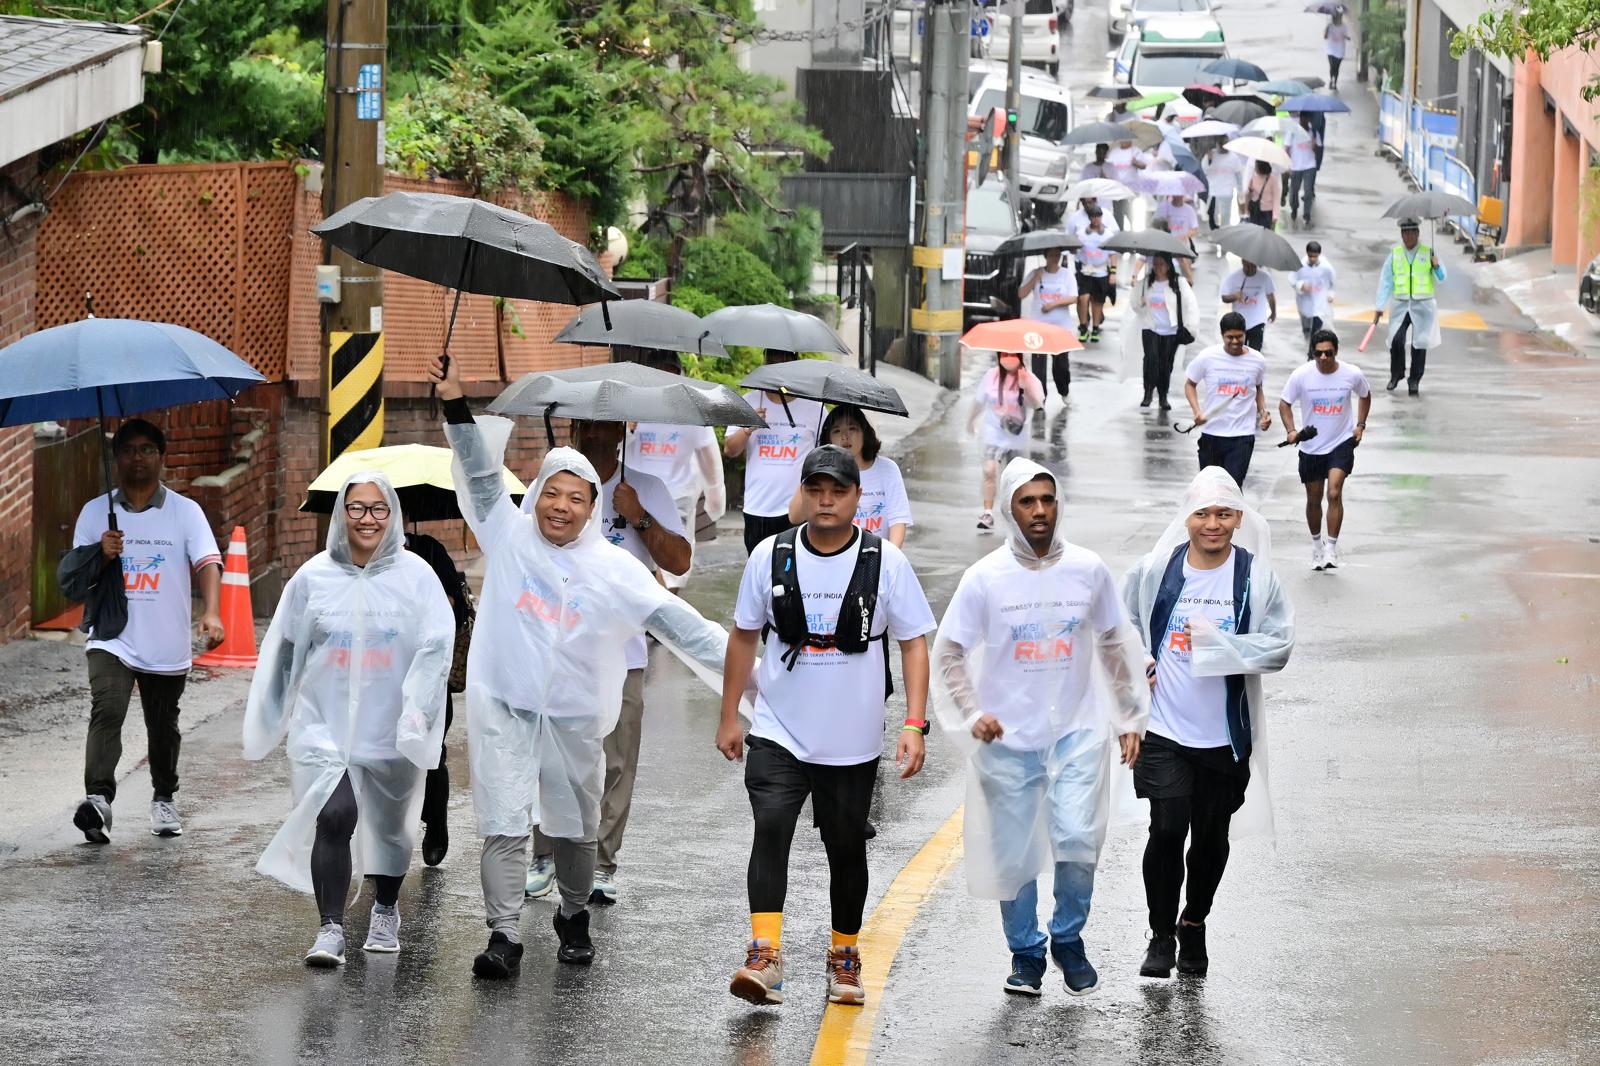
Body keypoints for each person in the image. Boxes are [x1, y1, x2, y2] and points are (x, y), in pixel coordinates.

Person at [428, 353, 734, 980]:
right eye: (551, 493)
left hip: (574, 716)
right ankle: (503, 933)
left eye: (576, 497)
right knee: (505, 820)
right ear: (536, 496)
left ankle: (572, 915)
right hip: (507, 707)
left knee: (575, 826)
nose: (561, 506)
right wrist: (455, 403)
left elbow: (680, 625)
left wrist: (748, 668)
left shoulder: (612, 567)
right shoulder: (507, 535)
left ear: (592, 508)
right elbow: (480, 473)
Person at [718, 444, 936, 1008]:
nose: (826, 500)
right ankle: (765, 954)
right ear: (802, 493)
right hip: (779, 727)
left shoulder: (886, 562)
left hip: (850, 738)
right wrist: (729, 715)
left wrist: (914, 723)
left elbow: (913, 643)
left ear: (858, 496)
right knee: (771, 826)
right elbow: (743, 636)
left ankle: (844, 954)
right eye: (815, 489)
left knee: (845, 845)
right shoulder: (770, 555)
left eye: (838, 490)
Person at [932, 458, 1148, 997]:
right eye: (1026, 501)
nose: (1039, 511)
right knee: (1015, 852)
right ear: (1009, 509)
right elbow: (951, 651)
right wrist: (971, 712)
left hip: (1078, 727)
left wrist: (1127, 714)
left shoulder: (1088, 569)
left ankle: (1068, 938)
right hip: (1007, 737)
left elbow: (1114, 643)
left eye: (1048, 500)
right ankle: (1026, 953)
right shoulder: (984, 578)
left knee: (1078, 836)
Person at [243, 473, 454, 966]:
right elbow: (286, 647)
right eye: (356, 508)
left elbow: (436, 646)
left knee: (390, 826)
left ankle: (385, 908)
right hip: (324, 723)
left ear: (392, 516)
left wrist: (418, 711)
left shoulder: (417, 577)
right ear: (341, 514)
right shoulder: (312, 578)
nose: (367, 519)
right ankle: (330, 928)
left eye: (378, 509)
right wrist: (271, 711)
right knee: (334, 814)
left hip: (391, 723)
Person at [1121, 467, 1295, 979]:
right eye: (1202, 514)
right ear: (1187, 517)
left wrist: (1216, 646)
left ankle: (1193, 921)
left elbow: (1279, 646)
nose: (1212, 524)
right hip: (1163, 731)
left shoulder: (1256, 578)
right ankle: (1160, 934)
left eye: (1223, 514)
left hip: (1224, 738)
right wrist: (1139, 659)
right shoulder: (1156, 569)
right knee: (1167, 828)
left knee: (1211, 838)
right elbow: (1121, 624)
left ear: (1239, 518)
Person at [522, 418, 690, 905]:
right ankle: (545, 854)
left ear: (623, 430)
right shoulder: (548, 489)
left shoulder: (646, 489)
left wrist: (639, 516)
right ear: (574, 427)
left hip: (623, 652)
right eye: (587, 424)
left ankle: (600, 862)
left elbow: (679, 561)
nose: (595, 433)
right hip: (554, 648)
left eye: (606, 425)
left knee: (615, 761)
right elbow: (520, 555)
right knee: (549, 757)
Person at [66, 418, 223, 845]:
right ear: (116, 458)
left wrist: (212, 612)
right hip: (111, 633)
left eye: (147, 449)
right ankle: (98, 800)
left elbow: (208, 561)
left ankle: (164, 795)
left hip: (165, 639)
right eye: (128, 449)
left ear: (161, 457)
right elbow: (74, 576)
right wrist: (100, 552)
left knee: (163, 725)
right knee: (107, 710)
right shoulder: (95, 512)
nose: (137, 457)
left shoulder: (185, 511)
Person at [624, 352, 728, 591]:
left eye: (671, 374)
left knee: (674, 562)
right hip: (636, 495)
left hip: (677, 496)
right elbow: (617, 451)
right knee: (638, 558)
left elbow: (709, 457)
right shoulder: (632, 408)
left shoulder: (692, 412)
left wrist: (715, 496)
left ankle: (668, 602)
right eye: (660, 374)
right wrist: (628, 430)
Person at [402, 528, 472, 867]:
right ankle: (381, 839)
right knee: (377, 757)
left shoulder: (427, 551)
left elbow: (456, 611)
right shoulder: (357, 557)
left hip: (429, 675)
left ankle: (435, 821)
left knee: (430, 752)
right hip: (379, 673)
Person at [1279, 330, 1372, 571]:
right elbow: (1284, 403)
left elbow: (1365, 395)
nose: (1323, 358)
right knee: (1313, 498)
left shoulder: (1351, 373)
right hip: (1311, 446)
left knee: (1334, 493)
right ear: (1313, 353)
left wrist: (1360, 425)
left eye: (1328, 353)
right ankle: (1316, 546)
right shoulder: (1301, 375)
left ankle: (1331, 548)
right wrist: (1291, 430)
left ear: (1336, 352)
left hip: (1341, 442)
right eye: (1318, 353)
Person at [723, 350, 826, 552]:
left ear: (795, 364)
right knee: (761, 568)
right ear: (765, 362)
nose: (778, 366)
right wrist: (748, 428)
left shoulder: (816, 409)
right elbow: (730, 450)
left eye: (784, 361)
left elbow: (826, 453)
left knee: (795, 568)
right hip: (758, 508)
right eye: (773, 360)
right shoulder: (749, 402)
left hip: (799, 510)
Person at [788, 404, 912, 547]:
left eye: (852, 429)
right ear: (828, 438)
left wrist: (890, 556)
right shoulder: (821, 472)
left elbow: (898, 520)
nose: (845, 437)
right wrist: (811, 470)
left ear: (865, 432)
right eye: (837, 431)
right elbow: (795, 517)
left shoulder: (887, 468)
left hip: (875, 554)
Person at [1183, 313, 1271, 488]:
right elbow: (1190, 384)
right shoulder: (1207, 357)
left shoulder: (1257, 360)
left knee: (1232, 488)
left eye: (1239, 336)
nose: (1235, 341)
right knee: (1210, 489)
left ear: (1245, 333)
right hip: (1212, 434)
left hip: (1242, 436)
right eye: (1230, 337)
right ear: (1222, 335)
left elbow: (1258, 388)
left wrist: (1263, 412)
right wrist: (1197, 411)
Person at [969, 352, 1045, 532]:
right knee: (989, 470)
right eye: (1004, 355)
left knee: (1016, 479)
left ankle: (1017, 515)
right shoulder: (991, 376)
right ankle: (987, 513)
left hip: (1016, 436)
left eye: (1012, 355)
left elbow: (1038, 405)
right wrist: (971, 420)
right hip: (993, 433)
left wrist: (1025, 388)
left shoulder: (1028, 378)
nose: (1008, 358)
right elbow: (979, 401)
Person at [1376, 218, 1446, 396]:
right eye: (1404, 233)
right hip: (1401, 305)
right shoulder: (1395, 254)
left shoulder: (1428, 252)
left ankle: (1414, 379)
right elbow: (1386, 281)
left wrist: (1436, 266)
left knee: (1420, 343)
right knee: (1396, 340)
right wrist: (1380, 306)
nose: (1407, 236)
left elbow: (1442, 277)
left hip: (1423, 305)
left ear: (1417, 233)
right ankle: (1396, 374)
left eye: (1411, 232)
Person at [1132, 254, 1198, 411]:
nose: (1158, 267)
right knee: (1151, 360)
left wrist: (1191, 326)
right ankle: (1148, 393)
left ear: (1168, 265)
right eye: (1155, 264)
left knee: (1166, 364)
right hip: (1150, 328)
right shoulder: (1145, 282)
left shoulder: (1179, 282)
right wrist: (1140, 303)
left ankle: (1163, 396)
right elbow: (1134, 303)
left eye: (1161, 264)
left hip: (1171, 331)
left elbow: (1191, 304)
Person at [1017, 247, 1078, 400]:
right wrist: (1035, 280)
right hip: (1039, 326)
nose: (1055, 258)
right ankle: (1040, 397)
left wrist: (1053, 304)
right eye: (1051, 255)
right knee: (1038, 364)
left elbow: (1074, 297)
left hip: (1061, 327)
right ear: (1045, 256)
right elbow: (1021, 294)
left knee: (1061, 364)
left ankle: (1064, 390)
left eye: (1057, 255)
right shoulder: (1036, 272)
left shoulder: (1066, 274)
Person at [1075, 206, 1116, 343]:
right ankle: (1083, 327)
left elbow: (1112, 254)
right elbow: (1076, 251)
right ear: (1090, 218)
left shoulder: (1108, 234)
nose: (1096, 219)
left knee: (1098, 302)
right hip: (1085, 270)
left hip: (1101, 271)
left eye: (1098, 216)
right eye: (1093, 216)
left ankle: (1095, 328)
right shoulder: (1081, 233)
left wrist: (1113, 272)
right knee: (1083, 298)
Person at [1219, 258, 1277, 353]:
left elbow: (1271, 296)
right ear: (1242, 262)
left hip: (1258, 321)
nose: (1250, 268)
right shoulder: (1233, 277)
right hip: (1239, 322)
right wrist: (1235, 296)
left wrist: (1273, 313)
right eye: (1247, 266)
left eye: (1253, 265)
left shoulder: (1265, 277)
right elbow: (1224, 297)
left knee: (1255, 351)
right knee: (1239, 351)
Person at [1292, 241, 1336, 356]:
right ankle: (1310, 347)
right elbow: (1292, 279)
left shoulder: (1326, 267)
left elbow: (1332, 283)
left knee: (1316, 329)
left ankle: (1312, 354)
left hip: (1320, 302)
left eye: (1315, 256)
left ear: (1319, 255)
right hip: (1304, 302)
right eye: (1310, 256)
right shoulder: (1299, 265)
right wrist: (1300, 285)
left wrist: (1331, 294)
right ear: (1307, 254)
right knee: (1307, 329)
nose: (1312, 259)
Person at [1105, 139, 1150, 230]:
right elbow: (1108, 167)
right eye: (1122, 139)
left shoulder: (1136, 151)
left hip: (1131, 188)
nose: (1124, 141)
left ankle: (1134, 230)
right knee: (1118, 212)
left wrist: (1136, 162)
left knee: (1130, 211)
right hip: (1117, 188)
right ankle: (1119, 230)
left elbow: (1144, 166)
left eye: (1126, 139)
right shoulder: (1114, 152)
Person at [1286, 114, 1322, 225]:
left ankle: (1306, 214)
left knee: (1308, 191)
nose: (1304, 121)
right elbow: (1287, 148)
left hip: (1309, 166)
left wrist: (1314, 146)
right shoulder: (1292, 131)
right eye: (1302, 118)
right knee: (1294, 191)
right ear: (1300, 119)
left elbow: (1318, 150)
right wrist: (1287, 164)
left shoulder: (1314, 132)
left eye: (1306, 118)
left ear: (1309, 119)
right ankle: (1294, 208)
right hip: (1296, 166)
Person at [1204, 145, 1244, 230]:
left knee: (1226, 217)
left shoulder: (1233, 157)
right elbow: (1205, 170)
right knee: (1212, 216)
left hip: (1227, 193)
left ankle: (1225, 233)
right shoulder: (1211, 154)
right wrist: (1209, 159)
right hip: (1213, 192)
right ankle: (1215, 233)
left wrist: (1240, 193)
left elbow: (1239, 176)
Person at [1239, 161, 1280, 229]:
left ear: (1261, 167)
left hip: (1267, 212)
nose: (1254, 168)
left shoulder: (1272, 180)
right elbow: (1248, 195)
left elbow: (1276, 198)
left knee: (1265, 232)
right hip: (1255, 211)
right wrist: (1246, 210)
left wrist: (1275, 215)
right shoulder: (1253, 178)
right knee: (1255, 232)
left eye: (1256, 166)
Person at [1325, 11, 1350, 91]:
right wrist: (1326, 30)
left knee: (1336, 68)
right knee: (1332, 66)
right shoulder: (1330, 26)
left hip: (1340, 51)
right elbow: (1325, 37)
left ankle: (1335, 83)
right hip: (1330, 50)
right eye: (1336, 17)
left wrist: (1345, 37)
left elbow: (1348, 37)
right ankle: (1331, 80)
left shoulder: (1344, 26)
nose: (1338, 18)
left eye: (1339, 17)